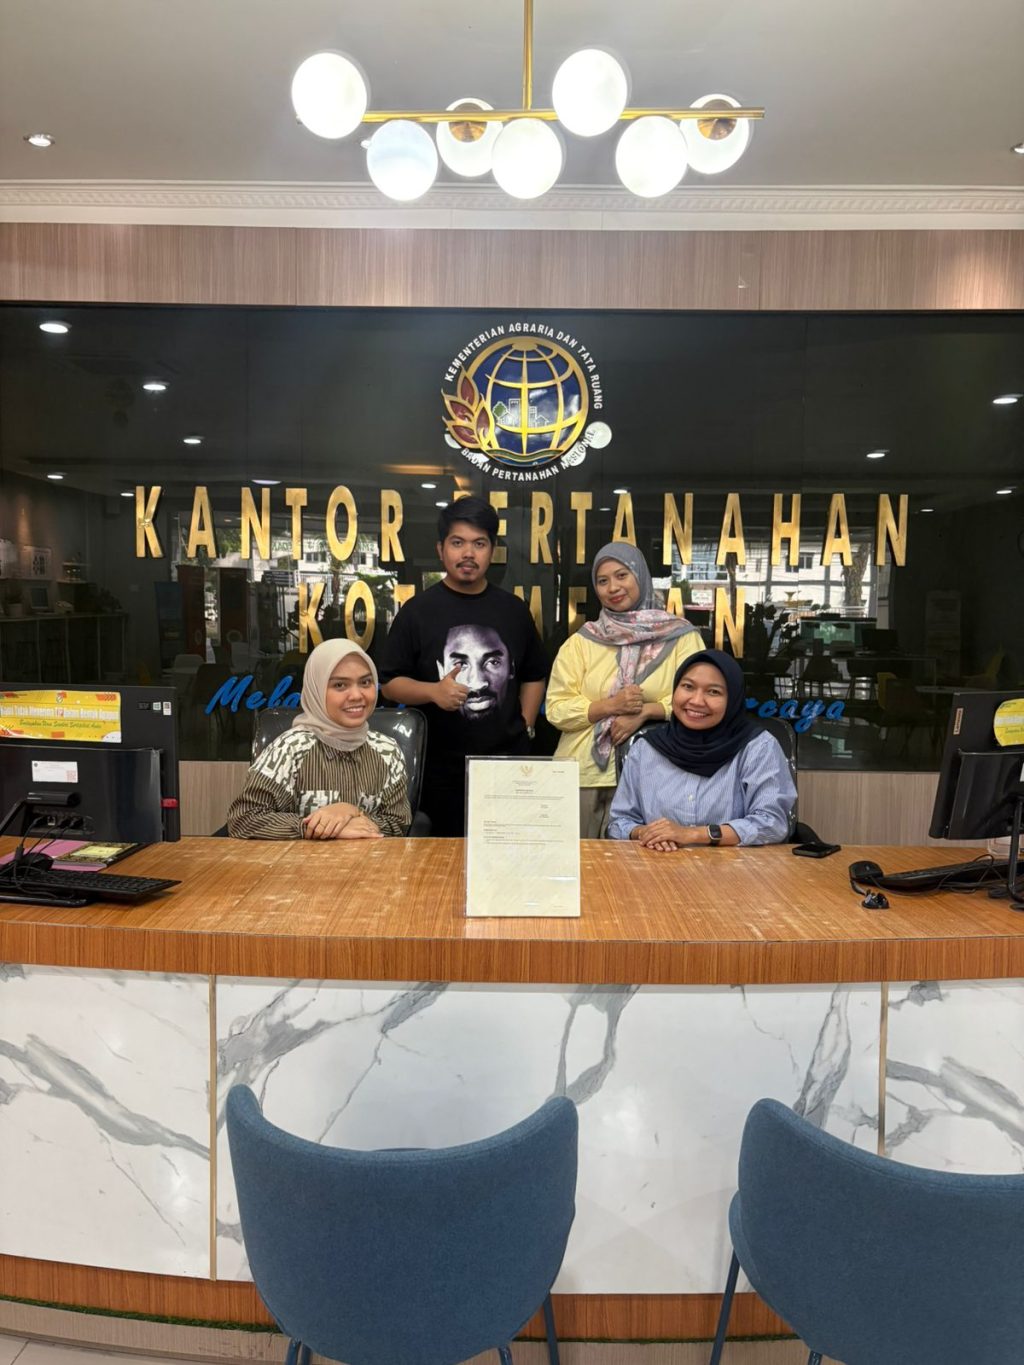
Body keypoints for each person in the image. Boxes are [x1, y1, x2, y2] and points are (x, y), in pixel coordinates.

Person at [379, 496, 548, 837]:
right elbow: (389, 683)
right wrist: (433, 692)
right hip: (438, 771)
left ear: (492, 550)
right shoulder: (417, 612)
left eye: (479, 544)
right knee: (440, 863)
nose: (468, 553)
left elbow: (534, 674)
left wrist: (526, 726)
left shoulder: (514, 610)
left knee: (506, 856)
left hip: (506, 768)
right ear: (441, 549)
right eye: (458, 543)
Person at [546, 543, 703, 838]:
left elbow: (697, 701)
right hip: (582, 774)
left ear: (639, 575)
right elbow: (556, 709)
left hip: (654, 773)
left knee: (643, 860)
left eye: (621, 575)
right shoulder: (581, 642)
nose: (612, 588)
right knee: (578, 859)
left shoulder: (681, 637)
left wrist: (646, 712)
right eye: (602, 581)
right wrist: (611, 705)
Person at [607, 649, 796, 849]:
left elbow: (772, 823)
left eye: (713, 692)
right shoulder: (645, 749)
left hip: (735, 866)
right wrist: (646, 833)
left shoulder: (757, 747)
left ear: (733, 698)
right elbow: (619, 823)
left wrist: (694, 834)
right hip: (660, 863)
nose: (697, 701)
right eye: (688, 687)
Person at [227, 638, 410, 839]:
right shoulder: (290, 749)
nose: (357, 695)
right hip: (296, 859)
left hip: (369, 858)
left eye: (365, 682)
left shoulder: (387, 750)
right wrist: (317, 828)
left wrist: (351, 811)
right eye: (340, 685)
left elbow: (398, 823)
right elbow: (244, 819)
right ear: (316, 689)